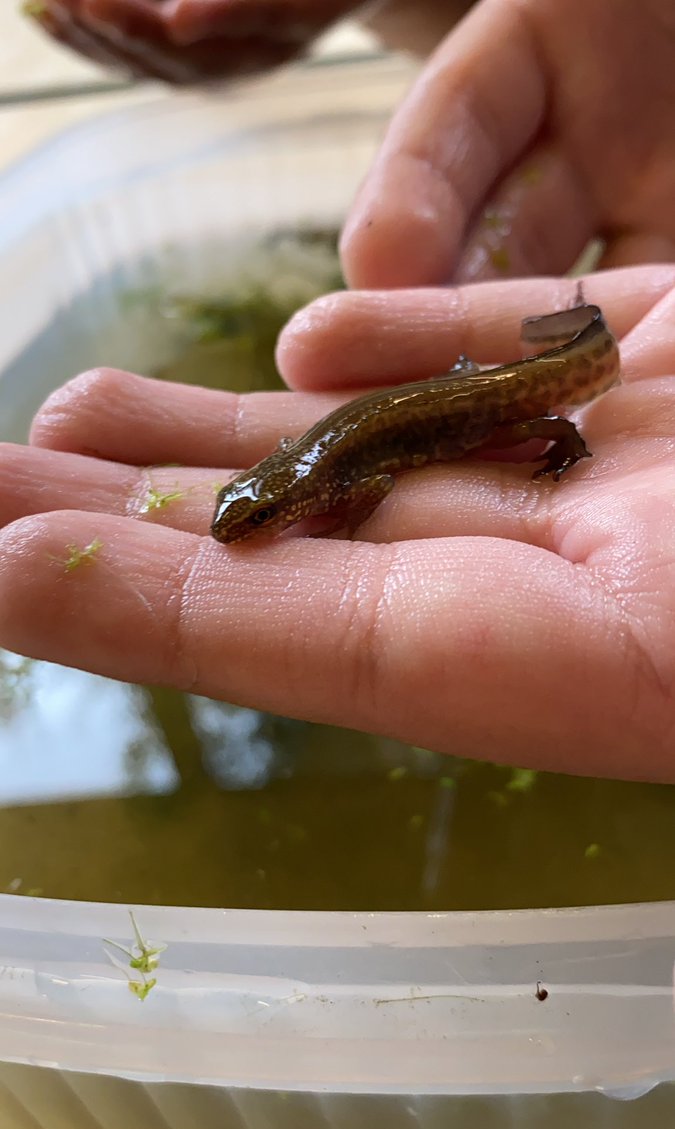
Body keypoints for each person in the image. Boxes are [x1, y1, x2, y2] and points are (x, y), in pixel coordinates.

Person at [2, 0, 673, 782]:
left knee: (542, 420)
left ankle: (569, 427)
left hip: (477, 403)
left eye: (255, 515)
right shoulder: (301, 473)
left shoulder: (325, 482)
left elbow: (381, 477)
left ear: (282, 501)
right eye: (249, 509)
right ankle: (555, 363)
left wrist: (558, 447)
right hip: (456, 396)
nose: (240, 527)